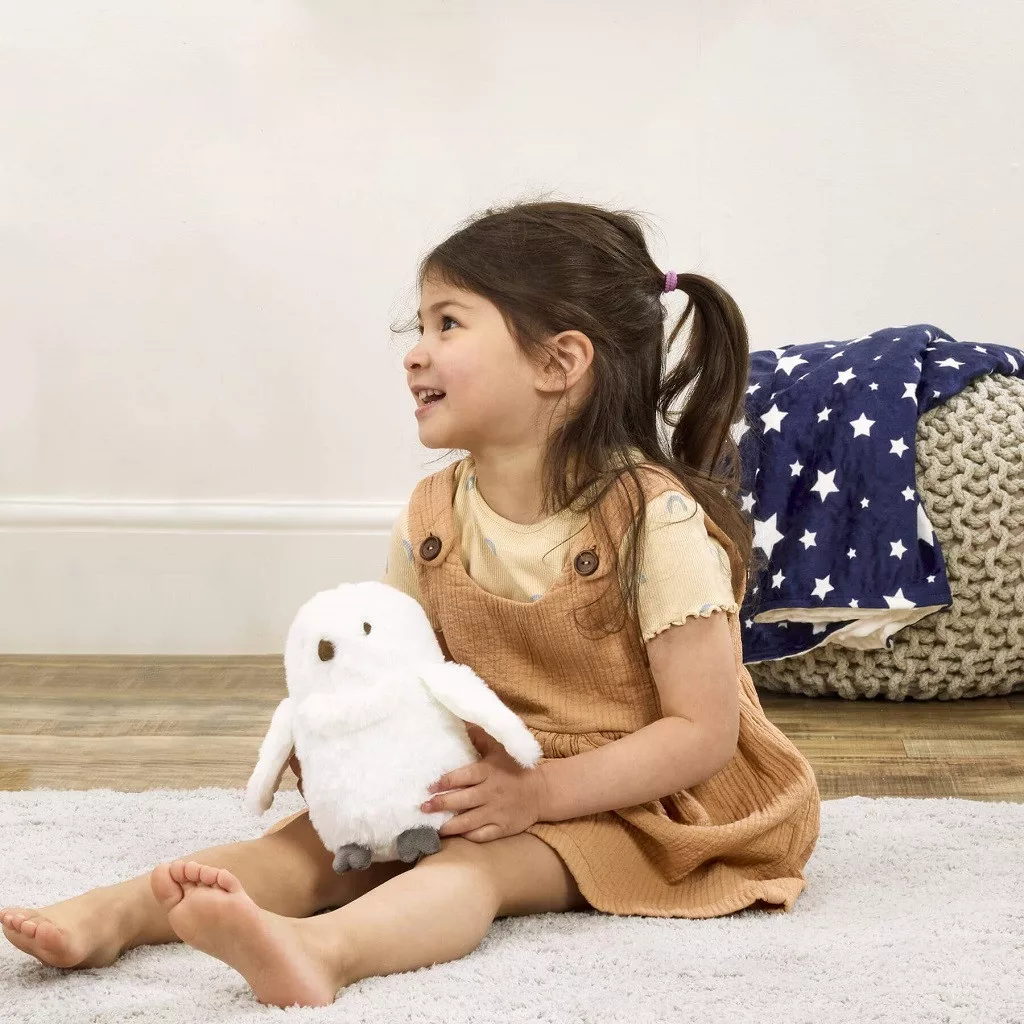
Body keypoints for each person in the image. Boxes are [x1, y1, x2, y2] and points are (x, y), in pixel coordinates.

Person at [0, 199, 820, 1008]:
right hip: (493, 773)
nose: (414, 355)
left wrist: (541, 796)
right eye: (418, 327)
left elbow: (702, 733)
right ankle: (116, 913)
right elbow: (393, 673)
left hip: (644, 805)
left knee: (476, 864)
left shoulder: (654, 523)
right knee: (318, 845)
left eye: (448, 324)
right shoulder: (432, 518)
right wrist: (345, 743)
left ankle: (324, 951)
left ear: (559, 362)